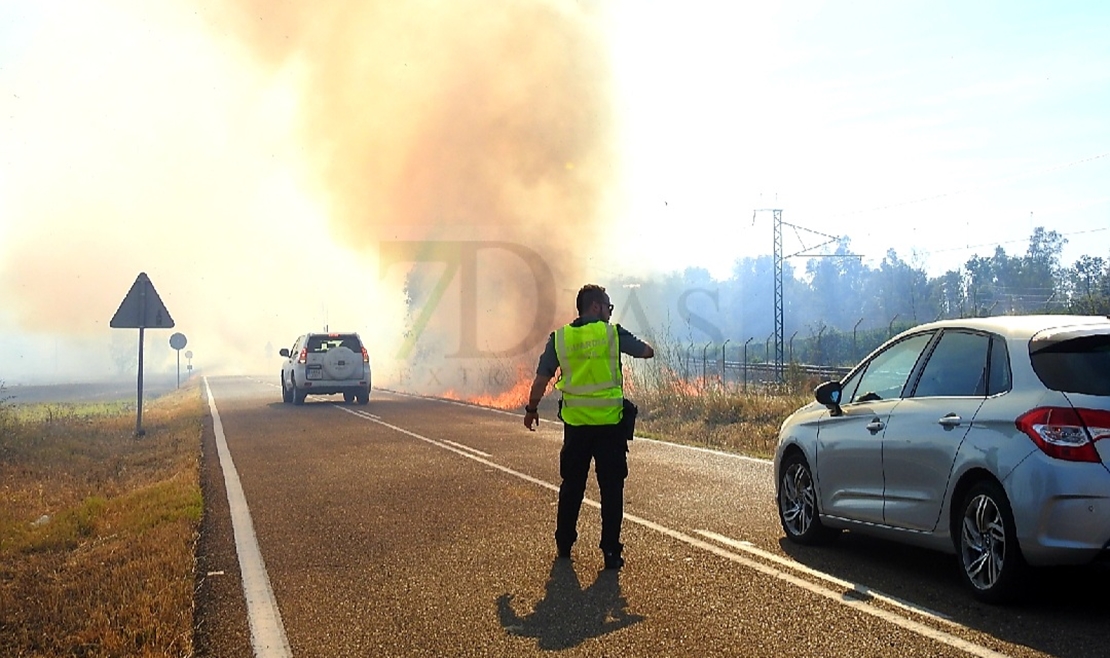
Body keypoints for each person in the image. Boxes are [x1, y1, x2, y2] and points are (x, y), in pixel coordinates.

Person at [523, 284, 654, 570]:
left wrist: (532, 410)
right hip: (610, 426)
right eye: (608, 307)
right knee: (611, 490)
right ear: (596, 307)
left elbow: (541, 379)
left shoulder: (560, 338)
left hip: (577, 427)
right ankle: (610, 551)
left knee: (572, 487)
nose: (609, 312)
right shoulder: (612, 334)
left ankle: (564, 544)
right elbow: (647, 352)